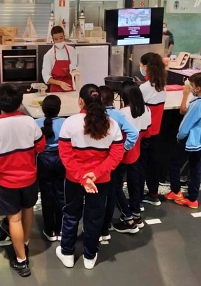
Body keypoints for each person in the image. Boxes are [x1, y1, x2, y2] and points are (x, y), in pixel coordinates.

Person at [0, 84, 46, 277]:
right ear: (20, 103)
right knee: (28, 210)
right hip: (30, 178)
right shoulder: (30, 122)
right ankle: (24, 243)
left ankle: (21, 260)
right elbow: (41, 146)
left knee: (13, 218)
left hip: (6, 182)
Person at [56, 84, 124, 270]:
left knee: (71, 215)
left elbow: (66, 156)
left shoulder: (69, 122)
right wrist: (95, 174)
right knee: (94, 217)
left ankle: (67, 254)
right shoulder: (112, 124)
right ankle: (89, 256)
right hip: (100, 181)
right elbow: (116, 155)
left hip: (74, 179)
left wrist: (82, 177)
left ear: (80, 101)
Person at [164, 73, 201, 209]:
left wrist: (179, 137)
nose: (190, 88)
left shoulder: (196, 105)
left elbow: (185, 126)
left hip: (190, 142)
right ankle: (193, 198)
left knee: (175, 165)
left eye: (191, 86)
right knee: (196, 169)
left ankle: (176, 191)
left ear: (197, 88)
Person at [99, 85, 139, 240]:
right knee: (111, 191)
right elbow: (133, 133)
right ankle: (106, 226)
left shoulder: (98, 115)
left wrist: (122, 149)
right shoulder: (117, 115)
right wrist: (122, 150)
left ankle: (108, 225)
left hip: (102, 161)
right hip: (114, 160)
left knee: (107, 192)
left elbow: (133, 134)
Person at [113, 81, 151, 233]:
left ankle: (127, 218)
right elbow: (147, 133)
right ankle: (136, 214)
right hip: (137, 153)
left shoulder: (122, 113)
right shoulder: (147, 110)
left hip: (122, 154)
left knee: (116, 186)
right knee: (135, 183)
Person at [34, 95, 66, 242]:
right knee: (60, 193)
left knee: (46, 195)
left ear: (43, 109)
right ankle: (60, 228)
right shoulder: (65, 122)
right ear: (59, 109)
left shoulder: (36, 123)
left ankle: (49, 229)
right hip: (61, 159)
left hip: (43, 159)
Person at [138, 52, 167, 207]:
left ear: (146, 67)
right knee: (153, 165)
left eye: (141, 65)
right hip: (157, 132)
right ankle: (153, 194)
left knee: (140, 166)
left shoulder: (144, 88)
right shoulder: (162, 86)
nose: (140, 68)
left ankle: (138, 199)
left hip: (144, 134)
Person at [42, 26, 79, 92]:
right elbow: (46, 76)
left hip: (70, 86)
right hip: (56, 88)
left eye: (61, 38)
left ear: (64, 36)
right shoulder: (49, 55)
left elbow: (73, 66)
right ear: (52, 39)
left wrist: (74, 71)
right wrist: (60, 83)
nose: (59, 41)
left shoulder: (71, 50)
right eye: (56, 39)